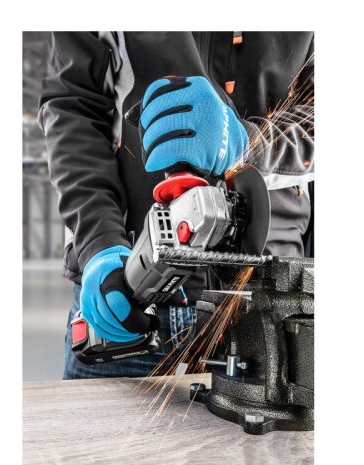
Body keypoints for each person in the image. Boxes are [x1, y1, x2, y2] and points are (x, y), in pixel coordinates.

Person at [38, 32, 314, 379]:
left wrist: (247, 142)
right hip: (129, 290)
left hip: (268, 293)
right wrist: (98, 242)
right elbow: (72, 106)